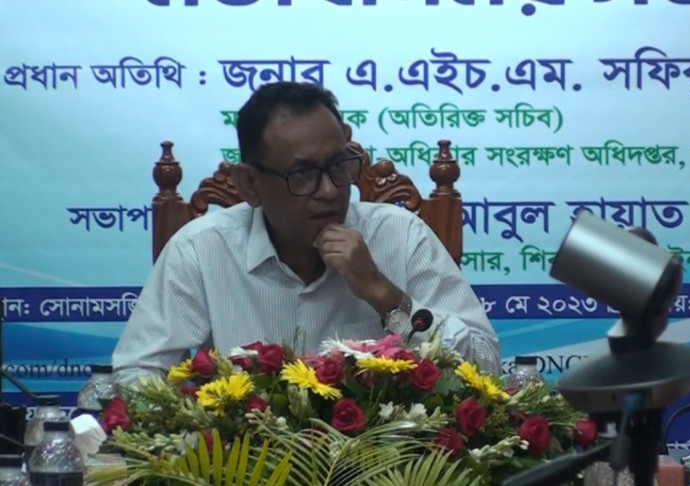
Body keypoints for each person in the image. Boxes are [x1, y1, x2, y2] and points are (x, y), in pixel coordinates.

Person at [111, 81, 502, 384]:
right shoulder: (201, 250)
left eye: (338, 166)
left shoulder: (400, 235)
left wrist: (386, 297)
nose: (329, 191)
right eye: (302, 174)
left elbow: (487, 367)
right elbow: (136, 375)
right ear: (250, 185)